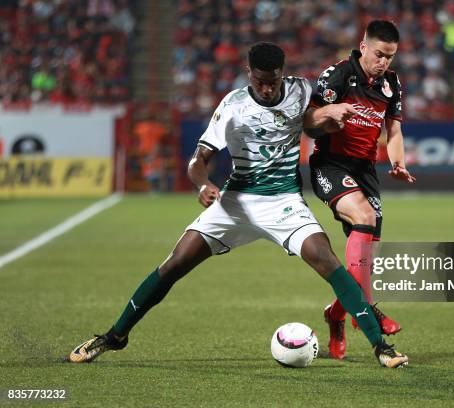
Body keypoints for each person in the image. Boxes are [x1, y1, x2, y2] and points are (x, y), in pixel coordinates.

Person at [68, 42, 409, 369]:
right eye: (259, 82)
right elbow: (198, 160)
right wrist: (203, 184)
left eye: (272, 82)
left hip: (284, 202)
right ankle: (115, 336)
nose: (265, 89)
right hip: (235, 202)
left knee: (327, 259)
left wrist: (328, 114)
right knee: (173, 266)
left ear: (282, 75)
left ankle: (380, 346)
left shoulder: (301, 90)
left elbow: (316, 114)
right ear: (249, 73)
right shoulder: (232, 106)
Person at [306, 20, 416, 360]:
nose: (384, 62)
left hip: (365, 171)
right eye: (379, 54)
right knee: (365, 216)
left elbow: (393, 130)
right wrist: (329, 112)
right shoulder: (338, 75)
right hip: (330, 164)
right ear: (363, 46)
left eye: (390, 57)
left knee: (364, 264)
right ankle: (368, 309)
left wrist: (398, 163)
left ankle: (336, 315)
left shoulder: (392, 84)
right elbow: (308, 121)